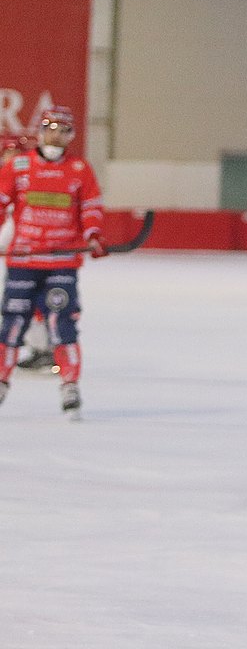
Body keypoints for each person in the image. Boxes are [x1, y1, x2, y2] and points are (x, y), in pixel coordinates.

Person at [0, 107, 106, 419]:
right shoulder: (18, 165)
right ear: (41, 130)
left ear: (71, 135)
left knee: (63, 323)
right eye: (51, 127)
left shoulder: (79, 168)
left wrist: (94, 235)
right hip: (24, 260)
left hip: (62, 262)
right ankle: (2, 382)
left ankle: (70, 386)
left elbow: (91, 206)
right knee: (12, 323)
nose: (56, 135)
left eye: (64, 129)